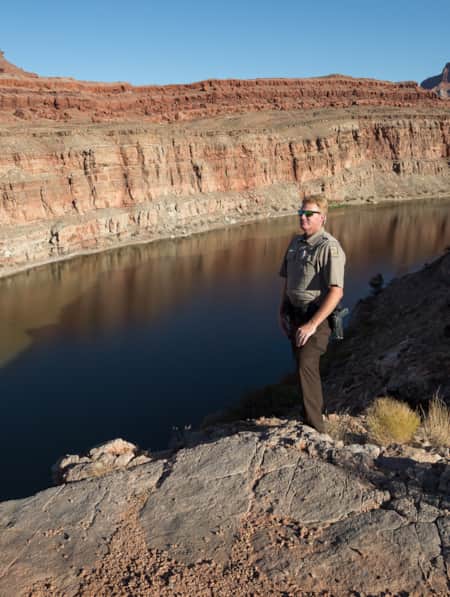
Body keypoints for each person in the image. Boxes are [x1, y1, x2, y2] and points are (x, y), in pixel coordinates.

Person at [279, 194, 345, 432]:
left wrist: (313, 324)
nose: (303, 218)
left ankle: (316, 429)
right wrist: (281, 309)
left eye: (309, 214)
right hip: (295, 315)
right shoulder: (295, 244)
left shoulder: (329, 247)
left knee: (307, 365)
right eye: (301, 213)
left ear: (322, 218)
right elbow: (288, 281)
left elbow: (336, 292)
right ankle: (306, 417)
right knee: (299, 366)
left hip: (316, 318)